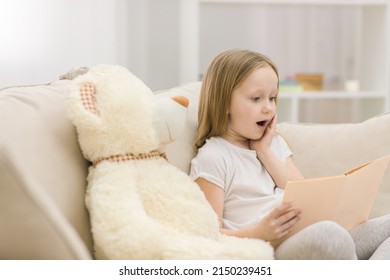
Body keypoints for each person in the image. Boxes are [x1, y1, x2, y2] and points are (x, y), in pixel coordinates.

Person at [190, 49, 390, 259]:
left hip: (313, 232)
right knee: (329, 234)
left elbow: (303, 192)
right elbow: (208, 233)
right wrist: (259, 233)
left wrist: (265, 152)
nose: (268, 108)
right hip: (274, 246)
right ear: (223, 103)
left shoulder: (273, 143)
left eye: (272, 98)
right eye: (257, 98)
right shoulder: (214, 157)